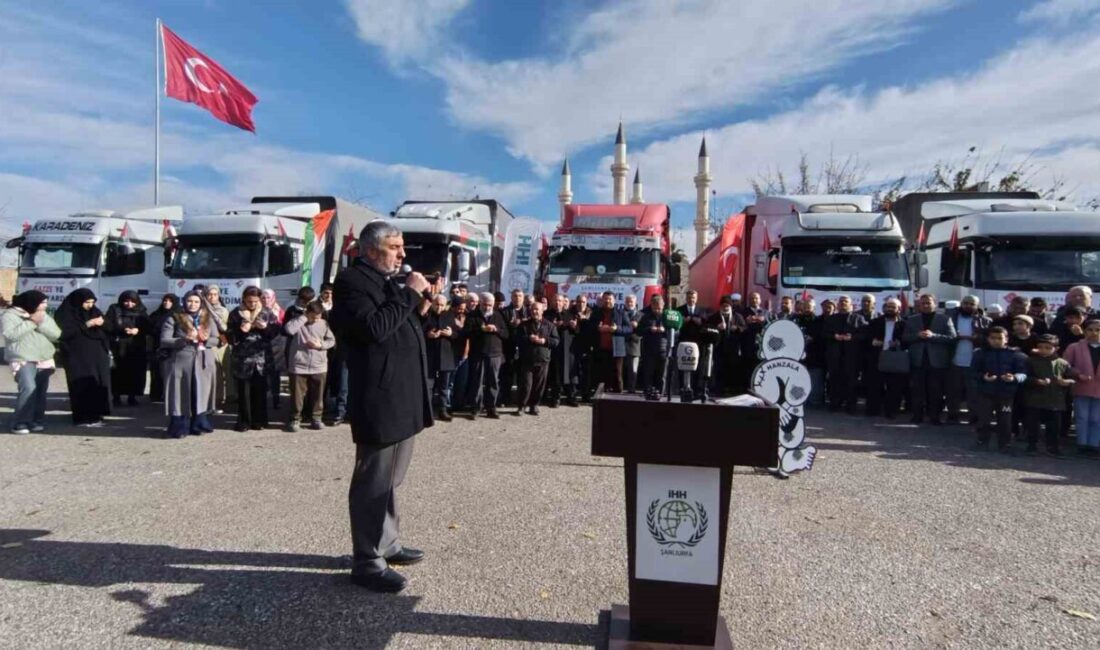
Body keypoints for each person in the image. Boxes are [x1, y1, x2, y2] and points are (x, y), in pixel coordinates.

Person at [330, 220, 433, 594]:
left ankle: (387, 543)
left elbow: (400, 324)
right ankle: (367, 561)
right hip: (380, 397)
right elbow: (373, 329)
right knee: (374, 481)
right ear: (371, 250)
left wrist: (418, 302)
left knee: (391, 479)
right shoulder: (352, 283)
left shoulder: (386, 283)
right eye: (395, 247)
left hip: (401, 397)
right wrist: (408, 295)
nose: (402, 254)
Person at [160, 290, 219, 438]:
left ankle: (199, 424)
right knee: (180, 393)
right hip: (181, 360)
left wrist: (206, 339)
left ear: (201, 304)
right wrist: (184, 339)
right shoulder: (174, 318)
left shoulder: (208, 318)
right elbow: (164, 340)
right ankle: (179, 427)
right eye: (190, 301)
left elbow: (218, 340)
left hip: (203, 360)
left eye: (196, 302)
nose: (193, 305)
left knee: (200, 392)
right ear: (184, 302)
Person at [2, 291, 60, 434]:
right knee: (28, 388)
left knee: (40, 390)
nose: (45, 306)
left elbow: (56, 334)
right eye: (42, 303)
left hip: (43, 357)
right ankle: (20, 422)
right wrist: (31, 322)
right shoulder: (10, 315)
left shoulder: (42, 315)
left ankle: (36, 420)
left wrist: (39, 322)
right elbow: (10, 335)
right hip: (22, 357)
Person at [56, 288, 112, 427]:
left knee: (97, 383)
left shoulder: (95, 311)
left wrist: (103, 323)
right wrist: (87, 324)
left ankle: (96, 415)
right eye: (87, 302)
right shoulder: (65, 313)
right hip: (77, 356)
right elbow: (64, 333)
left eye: (92, 302)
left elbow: (110, 327)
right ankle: (82, 417)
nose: (90, 305)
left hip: (97, 355)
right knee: (81, 385)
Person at [970, 326, 1028, 453]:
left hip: (1006, 394)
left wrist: (1014, 378)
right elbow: (972, 372)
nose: (996, 341)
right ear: (988, 339)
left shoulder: (1016, 355)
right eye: (993, 338)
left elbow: (1023, 374)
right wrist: (983, 377)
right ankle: (982, 441)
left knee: (1005, 420)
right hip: (986, 392)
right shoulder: (980, 353)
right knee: (984, 418)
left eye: (999, 338)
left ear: (1006, 339)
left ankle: (1005, 444)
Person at [228, 287, 279, 431]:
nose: (252, 304)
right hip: (242, 360)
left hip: (261, 360)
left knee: (260, 391)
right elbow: (230, 335)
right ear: (244, 298)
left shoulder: (267, 312)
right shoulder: (236, 313)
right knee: (243, 393)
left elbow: (276, 331)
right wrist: (240, 331)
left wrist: (265, 328)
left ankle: (259, 421)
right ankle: (243, 421)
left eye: (255, 301)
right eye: (249, 301)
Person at [903, 293, 957, 425]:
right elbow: (905, 338)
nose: (926, 305)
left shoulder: (944, 319)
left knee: (936, 391)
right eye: (923, 303)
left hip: (937, 361)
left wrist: (933, 336)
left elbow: (952, 338)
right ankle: (917, 416)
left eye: (928, 303)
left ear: (935, 304)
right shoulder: (912, 319)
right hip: (918, 360)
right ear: (919, 305)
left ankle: (934, 417)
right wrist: (917, 335)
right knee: (917, 391)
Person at [283, 301, 335, 432]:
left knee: (318, 395)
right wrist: (304, 318)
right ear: (307, 312)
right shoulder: (298, 321)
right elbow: (289, 330)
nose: (316, 319)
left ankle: (316, 418)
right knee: (297, 395)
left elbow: (332, 340)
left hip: (319, 365)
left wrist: (321, 345)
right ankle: (295, 419)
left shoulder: (323, 323)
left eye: (319, 316)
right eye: (313, 316)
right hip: (299, 364)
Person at [1023, 334, 1072, 457]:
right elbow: (1025, 377)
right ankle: (1032, 446)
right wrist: (1036, 381)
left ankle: (1053, 447)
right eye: (1040, 347)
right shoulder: (1031, 361)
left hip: (1055, 400)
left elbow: (1071, 378)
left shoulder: (1063, 363)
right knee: (1033, 425)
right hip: (1035, 399)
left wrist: (1066, 382)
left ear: (1056, 348)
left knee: (1054, 427)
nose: (1043, 350)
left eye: (1047, 347)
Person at [946, 296, 990, 424]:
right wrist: (954, 337)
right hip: (954, 360)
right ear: (961, 304)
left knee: (974, 392)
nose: (968, 306)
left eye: (972, 304)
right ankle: (952, 415)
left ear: (977, 306)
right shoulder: (950, 318)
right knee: (953, 391)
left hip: (974, 362)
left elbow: (990, 340)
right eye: (965, 303)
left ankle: (974, 417)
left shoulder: (985, 321)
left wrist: (977, 338)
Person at [465, 292, 508, 419]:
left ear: (493, 304)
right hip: (478, 354)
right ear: (480, 303)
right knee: (477, 381)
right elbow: (466, 332)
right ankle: (476, 407)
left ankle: (491, 408)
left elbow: (506, 334)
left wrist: (497, 330)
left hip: (495, 354)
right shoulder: (473, 315)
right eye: (485, 304)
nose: (487, 307)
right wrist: (481, 330)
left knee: (493, 382)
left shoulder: (498, 315)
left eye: (490, 305)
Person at [1061, 319, 1100, 458]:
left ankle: (1095, 445)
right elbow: (1065, 365)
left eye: (1098, 330)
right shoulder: (1074, 347)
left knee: (1097, 418)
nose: (1094, 333)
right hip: (1081, 386)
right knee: (1082, 416)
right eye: (1090, 329)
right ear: (1084, 331)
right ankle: (1082, 444)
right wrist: (1077, 374)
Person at [104, 290, 149, 407]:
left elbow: (148, 326)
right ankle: (116, 396)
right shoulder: (114, 309)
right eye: (126, 301)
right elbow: (107, 325)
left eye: (132, 302)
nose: (129, 304)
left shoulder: (141, 311)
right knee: (117, 372)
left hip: (136, 347)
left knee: (134, 372)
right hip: (118, 346)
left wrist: (138, 330)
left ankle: (132, 396)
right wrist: (121, 329)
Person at [823, 295, 866, 413]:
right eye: (841, 301)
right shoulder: (831, 319)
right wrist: (834, 336)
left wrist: (852, 337)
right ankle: (835, 403)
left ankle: (851, 405)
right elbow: (824, 334)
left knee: (851, 381)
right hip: (834, 356)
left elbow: (864, 335)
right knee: (834, 381)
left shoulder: (858, 318)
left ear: (851, 304)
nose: (843, 303)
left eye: (845, 301)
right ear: (837, 305)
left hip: (852, 356)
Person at [515, 300, 558, 415]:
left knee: (539, 385)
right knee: (526, 384)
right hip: (527, 360)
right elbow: (518, 339)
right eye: (533, 309)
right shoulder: (524, 325)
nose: (535, 311)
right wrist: (529, 338)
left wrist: (545, 340)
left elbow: (556, 341)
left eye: (537, 309)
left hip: (543, 360)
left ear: (542, 311)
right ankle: (522, 406)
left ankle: (534, 405)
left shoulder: (550, 325)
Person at [866, 297, 907, 418]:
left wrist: (899, 343)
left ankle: (892, 411)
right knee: (875, 384)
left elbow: (908, 339)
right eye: (888, 306)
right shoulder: (875, 322)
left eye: (893, 307)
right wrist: (873, 342)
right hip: (877, 357)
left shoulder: (904, 323)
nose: (890, 309)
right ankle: (873, 410)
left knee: (894, 386)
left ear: (899, 309)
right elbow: (867, 337)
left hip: (895, 358)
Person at [423, 294, 457, 422]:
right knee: (429, 385)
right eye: (437, 304)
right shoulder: (426, 315)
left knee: (444, 386)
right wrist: (428, 334)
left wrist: (451, 333)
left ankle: (443, 410)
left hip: (446, 355)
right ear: (432, 304)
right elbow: (419, 331)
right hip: (430, 355)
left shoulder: (449, 315)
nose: (439, 307)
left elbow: (457, 334)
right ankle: (428, 411)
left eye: (442, 305)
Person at [589, 291, 632, 393]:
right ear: (602, 300)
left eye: (609, 299)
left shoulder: (621, 313)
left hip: (616, 350)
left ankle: (617, 398)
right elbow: (589, 328)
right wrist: (597, 328)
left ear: (614, 300)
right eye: (605, 299)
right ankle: (601, 399)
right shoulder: (596, 313)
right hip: (600, 349)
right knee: (602, 375)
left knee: (617, 375)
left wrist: (617, 329)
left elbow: (629, 329)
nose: (607, 301)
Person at [709, 296, 746, 396]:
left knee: (732, 370)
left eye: (727, 306)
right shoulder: (714, 317)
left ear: (731, 306)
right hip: (719, 348)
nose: (725, 308)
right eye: (723, 305)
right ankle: (719, 390)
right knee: (719, 370)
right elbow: (707, 329)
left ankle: (732, 390)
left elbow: (744, 328)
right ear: (720, 306)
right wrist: (717, 328)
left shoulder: (737, 316)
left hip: (733, 349)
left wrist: (737, 328)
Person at [203, 285, 232, 413]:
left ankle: (231, 398)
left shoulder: (222, 310)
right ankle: (217, 400)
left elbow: (223, 326)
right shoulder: (202, 309)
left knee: (228, 371)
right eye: (209, 294)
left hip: (223, 343)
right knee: (216, 373)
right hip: (210, 344)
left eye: (215, 294)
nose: (212, 297)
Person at [498, 288, 527, 407]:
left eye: (520, 296)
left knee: (523, 376)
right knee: (506, 375)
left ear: (523, 298)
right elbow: (501, 329)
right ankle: (505, 399)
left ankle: (520, 401)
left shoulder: (529, 311)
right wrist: (512, 326)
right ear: (511, 298)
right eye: (515, 296)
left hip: (524, 348)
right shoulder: (504, 311)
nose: (517, 298)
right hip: (508, 348)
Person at [794, 298, 826, 407]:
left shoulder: (819, 320)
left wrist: (812, 338)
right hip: (798, 353)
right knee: (798, 378)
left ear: (814, 307)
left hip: (815, 353)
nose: (807, 308)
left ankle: (815, 401)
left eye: (809, 306)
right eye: (805, 306)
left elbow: (823, 335)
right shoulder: (795, 319)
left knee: (815, 378)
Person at [148, 294, 180, 404]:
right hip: (157, 346)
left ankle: (168, 395)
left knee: (168, 373)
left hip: (172, 347)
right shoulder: (156, 315)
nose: (167, 303)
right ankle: (156, 394)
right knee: (157, 372)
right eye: (165, 301)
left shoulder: (178, 316)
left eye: (170, 301)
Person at [544, 294, 571, 407]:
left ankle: (563, 397)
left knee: (563, 373)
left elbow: (575, 330)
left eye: (559, 301)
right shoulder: (546, 314)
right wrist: (552, 325)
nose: (557, 303)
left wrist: (570, 325)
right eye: (555, 300)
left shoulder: (569, 314)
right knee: (552, 373)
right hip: (550, 348)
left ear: (563, 302)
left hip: (565, 349)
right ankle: (550, 397)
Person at [260, 288, 285, 409]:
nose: (265, 300)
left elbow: (283, 328)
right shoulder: (257, 311)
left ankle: (276, 399)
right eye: (263, 298)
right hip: (260, 346)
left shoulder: (279, 311)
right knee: (262, 373)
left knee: (275, 373)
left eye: (268, 297)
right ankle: (262, 397)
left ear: (273, 298)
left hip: (276, 346)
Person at [569, 295, 594, 402]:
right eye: (579, 302)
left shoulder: (591, 313)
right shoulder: (570, 312)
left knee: (586, 371)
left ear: (586, 302)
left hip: (587, 346)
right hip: (572, 346)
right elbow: (567, 324)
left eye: (583, 302)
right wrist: (572, 324)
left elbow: (593, 328)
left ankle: (586, 394)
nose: (581, 304)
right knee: (573, 371)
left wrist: (584, 321)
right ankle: (572, 395)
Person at [622, 294, 642, 393]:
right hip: (621, 344)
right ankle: (619, 388)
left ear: (635, 303)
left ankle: (631, 389)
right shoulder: (620, 313)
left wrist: (637, 327)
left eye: (632, 302)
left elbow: (643, 330)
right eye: (628, 301)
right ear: (625, 302)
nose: (630, 303)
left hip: (634, 345)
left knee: (633, 370)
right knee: (620, 369)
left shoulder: (641, 315)